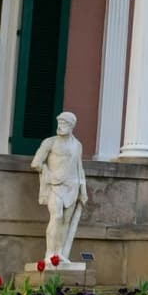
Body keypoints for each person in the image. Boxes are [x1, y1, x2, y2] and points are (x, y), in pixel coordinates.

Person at [32, 111, 87, 264]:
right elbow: (36, 163)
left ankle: (59, 253)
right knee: (56, 217)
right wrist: (48, 174)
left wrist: (83, 191)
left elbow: (80, 168)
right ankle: (49, 253)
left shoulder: (77, 145)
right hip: (55, 185)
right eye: (59, 123)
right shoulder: (50, 142)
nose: (60, 126)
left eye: (64, 124)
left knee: (65, 221)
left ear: (71, 126)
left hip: (72, 187)